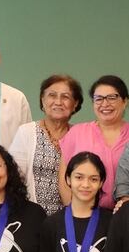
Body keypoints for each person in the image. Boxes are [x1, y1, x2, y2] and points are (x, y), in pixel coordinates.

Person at [58, 75, 129, 210]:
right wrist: (76, 214)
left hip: (127, 214)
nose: (105, 104)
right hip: (85, 215)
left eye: (112, 97)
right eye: (98, 99)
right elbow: (64, 181)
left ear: (125, 101)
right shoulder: (77, 133)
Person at [9, 74, 84, 215]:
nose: (58, 102)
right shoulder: (26, 132)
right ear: (42, 100)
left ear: (75, 104)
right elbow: (14, 179)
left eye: (65, 97)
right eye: (52, 95)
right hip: (32, 216)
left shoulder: (81, 135)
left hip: (70, 218)